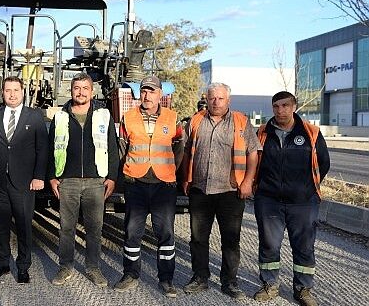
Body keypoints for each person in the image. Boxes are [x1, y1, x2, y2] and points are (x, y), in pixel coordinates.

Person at [181, 82, 260, 300]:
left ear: (228, 100)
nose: (216, 102)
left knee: (231, 240)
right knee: (198, 239)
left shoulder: (241, 122)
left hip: (231, 191)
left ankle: (230, 282)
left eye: (220, 98)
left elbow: (253, 154)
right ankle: (200, 278)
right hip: (200, 190)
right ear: (206, 99)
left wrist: (247, 182)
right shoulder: (196, 120)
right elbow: (187, 152)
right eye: (212, 98)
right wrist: (186, 178)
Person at [252, 91, 329, 306]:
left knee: (304, 246)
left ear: (294, 106)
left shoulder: (310, 132)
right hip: (269, 200)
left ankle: (303, 289)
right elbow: (254, 161)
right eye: (276, 106)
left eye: (285, 105)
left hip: (303, 202)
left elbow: (323, 163)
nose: (280, 110)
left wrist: (305, 187)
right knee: (269, 244)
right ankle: (270, 284)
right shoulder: (262, 133)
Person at [47, 72, 119, 287]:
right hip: (67, 181)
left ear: (92, 91)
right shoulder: (60, 117)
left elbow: (113, 148)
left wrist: (112, 177)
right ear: (71, 91)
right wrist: (51, 176)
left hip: (96, 181)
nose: (80, 92)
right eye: (76, 88)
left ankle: (93, 268)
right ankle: (65, 266)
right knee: (66, 227)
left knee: (94, 228)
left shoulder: (103, 116)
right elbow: (51, 149)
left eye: (85, 88)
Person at [112, 76, 182, 297]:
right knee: (132, 232)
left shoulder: (173, 119)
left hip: (164, 185)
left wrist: (171, 171)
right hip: (137, 183)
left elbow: (180, 149)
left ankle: (166, 279)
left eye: (152, 91)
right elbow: (122, 149)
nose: (147, 95)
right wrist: (129, 172)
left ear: (160, 94)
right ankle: (130, 274)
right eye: (143, 91)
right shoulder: (128, 118)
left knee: (166, 233)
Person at [0, 76, 48, 284]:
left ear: (23, 92)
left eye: (16, 90)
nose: (12, 94)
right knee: (0, 224)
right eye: (8, 90)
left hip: (25, 182)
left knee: (24, 225)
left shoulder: (35, 116)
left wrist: (39, 176)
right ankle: (2, 264)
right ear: (3, 93)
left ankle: (23, 267)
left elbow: (42, 149)